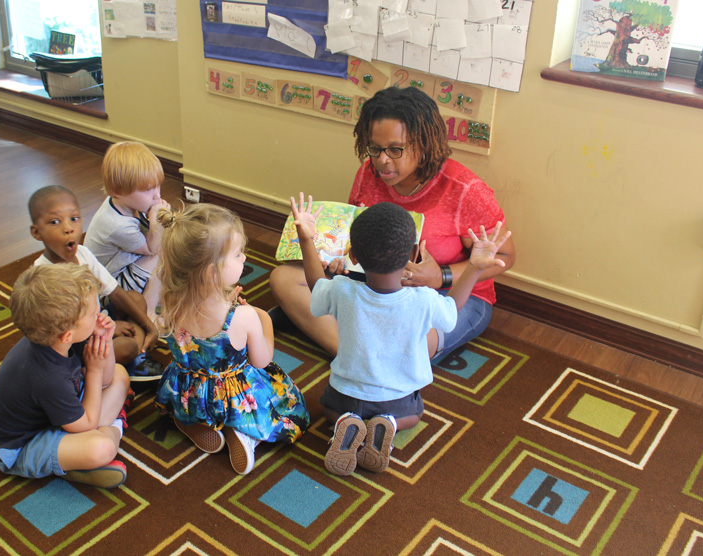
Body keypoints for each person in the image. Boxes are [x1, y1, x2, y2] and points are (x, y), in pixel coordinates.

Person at [269, 86, 516, 362]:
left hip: (448, 295)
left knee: (410, 348)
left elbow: (504, 256)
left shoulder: (465, 190)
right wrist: (340, 260)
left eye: (396, 150)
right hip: (375, 282)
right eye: (375, 148)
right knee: (283, 278)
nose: (382, 160)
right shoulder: (368, 173)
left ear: (424, 143)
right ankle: (357, 357)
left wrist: (440, 277)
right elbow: (355, 234)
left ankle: (341, 338)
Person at [290, 196, 510, 475]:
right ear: (413, 253)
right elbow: (453, 307)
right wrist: (475, 266)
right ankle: (388, 424)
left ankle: (345, 421)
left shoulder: (342, 290)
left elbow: (315, 283)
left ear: (353, 256)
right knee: (414, 415)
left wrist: (307, 238)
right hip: (398, 399)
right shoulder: (424, 300)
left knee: (328, 409)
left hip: (345, 393)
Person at [152, 203, 309, 475]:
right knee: (282, 397)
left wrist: (223, 298)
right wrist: (264, 318)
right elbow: (262, 360)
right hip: (234, 395)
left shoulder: (168, 303)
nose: (245, 258)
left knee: (195, 383)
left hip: (189, 391)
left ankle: (191, 420)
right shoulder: (244, 316)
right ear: (212, 273)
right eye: (237, 254)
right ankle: (244, 431)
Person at [0, 263, 132, 488]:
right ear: (67, 335)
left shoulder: (58, 338)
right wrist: (93, 371)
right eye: (93, 312)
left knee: (120, 376)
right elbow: (87, 423)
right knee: (101, 447)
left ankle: (78, 456)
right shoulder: (47, 377)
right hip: (23, 447)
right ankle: (111, 430)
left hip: (59, 415)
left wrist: (105, 341)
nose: (99, 312)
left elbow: (107, 379)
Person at [28, 185, 160, 378]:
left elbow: (115, 292)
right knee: (127, 346)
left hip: (97, 320)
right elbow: (66, 333)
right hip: (77, 343)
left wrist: (150, 327)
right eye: (55, 222)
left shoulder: (83, 254)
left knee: (135, 299)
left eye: (74, 218)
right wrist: (110, 329)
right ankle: (130, 361)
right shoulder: (43, 276)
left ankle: (134, 360)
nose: (68, 228)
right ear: (37, 232)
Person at [84, 141, 170, 317]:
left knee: (165, 248)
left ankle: (158, 295)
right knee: (160, 253)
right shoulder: (118, 225)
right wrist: (156, 223)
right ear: (118, 191)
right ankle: (148, 312)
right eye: (147, 189)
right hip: (108, 293)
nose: (157, 195)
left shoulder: (123, 204)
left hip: (120, 271)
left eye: (157, 186)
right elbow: (153, 248)